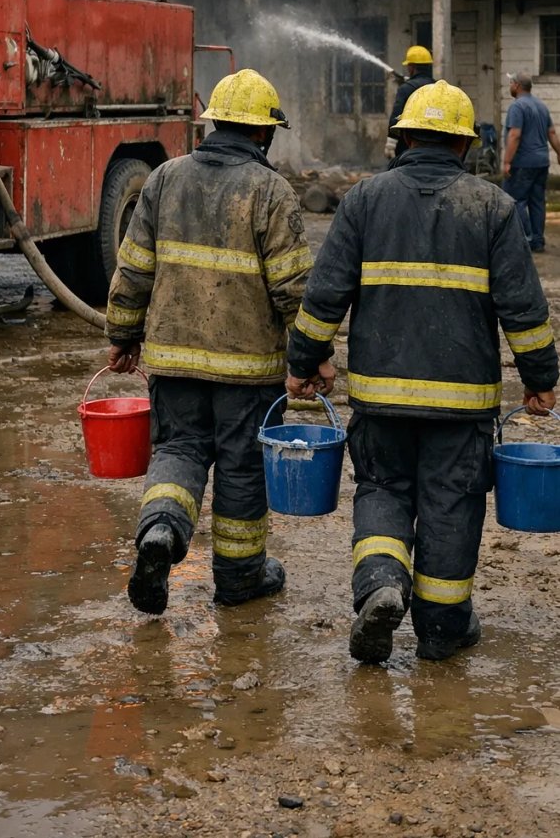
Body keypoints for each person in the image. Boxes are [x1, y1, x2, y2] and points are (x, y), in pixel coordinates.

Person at [286, 80, 557, 663]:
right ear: (463, 146)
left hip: (381, 403)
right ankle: (440, 631)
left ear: (403, 138)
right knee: (452, 507)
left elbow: (324, 295)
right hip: (460, 410)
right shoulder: (493, 207)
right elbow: (524, 309)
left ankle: (381, 585)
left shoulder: (364, 200)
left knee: (382, 491)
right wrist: (541, 379)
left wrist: (302, 364)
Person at [105, 69, 313, 614]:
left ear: (214, 123)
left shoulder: (165, 179)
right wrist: (314, 358)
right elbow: (295, 289)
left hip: (174, 364)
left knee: (178, 452)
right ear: (264, 134)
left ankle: (160, 534)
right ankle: (240, 579)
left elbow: (133, 269)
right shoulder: (271, 191)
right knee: (243, 469)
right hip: (249, 373)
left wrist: (123, 334)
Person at [502, 72, 560, 253]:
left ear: (517, 85)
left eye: (510, 82)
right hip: (541, 162)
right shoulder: (541, 106)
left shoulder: (517, 107)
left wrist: (506, 161)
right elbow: (551, 133)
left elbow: (515, 134)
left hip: (522, 163)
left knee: (516, 200)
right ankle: (538, 241)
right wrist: (559, 153)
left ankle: (525, 239)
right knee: (537, 202)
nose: (509, 86)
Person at [384, 45, 434, 162]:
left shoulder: (405, 89)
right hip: (433, 143)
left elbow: (396, 117)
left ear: (411, 67)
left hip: (408, 144)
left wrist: (391, 142)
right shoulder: (437, 87)